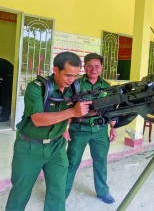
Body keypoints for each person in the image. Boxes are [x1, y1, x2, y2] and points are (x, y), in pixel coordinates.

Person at [6, 52, 91, 211]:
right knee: (20, 191)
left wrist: (67, 124)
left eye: (75, 75)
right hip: (29, 147)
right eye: (68, 75)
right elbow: (37, 120)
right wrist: (72, 112)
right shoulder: (36, 87)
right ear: (55, 69)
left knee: (58, 192)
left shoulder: (74, 88)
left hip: (57, 146)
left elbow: (76, 111)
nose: (71, 80)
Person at [64, 53, 117, 204]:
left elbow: (110, 109)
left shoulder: (106, 86)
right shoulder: (76, 84)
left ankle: (103, 191)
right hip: (79, 129)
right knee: (72, 162)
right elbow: (67, 106)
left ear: (101, 68)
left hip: (100, 130)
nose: (93, 69)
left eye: (97, 66)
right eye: (89, 66)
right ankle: (62, 194)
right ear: (84, 67)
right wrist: (65, 126)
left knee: (101, 161)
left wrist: (113, 127)